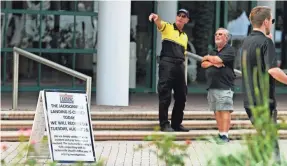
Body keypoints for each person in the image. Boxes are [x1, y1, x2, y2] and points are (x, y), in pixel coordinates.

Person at [241, 6, 287, 163]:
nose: (272, 24)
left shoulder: (247, 41)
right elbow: (273, 70)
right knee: (271, 143)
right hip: (263, 102)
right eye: (272, 21)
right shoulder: (266, 42)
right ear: (266, 21)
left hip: (249, 101)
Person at [148, 9, 190, 132]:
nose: (181, 17)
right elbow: (160, 23)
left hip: (180, 65)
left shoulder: (185, 36)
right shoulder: (168, 27)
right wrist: (156, 18)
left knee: (181, 96)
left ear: (187, 20)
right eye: (179, 15)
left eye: (184, 16)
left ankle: (176, 124)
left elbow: (184, 53)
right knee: (165, 95)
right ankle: (164, 124)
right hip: (167, 63)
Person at [201, 28, 236, 143]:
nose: (217, 36)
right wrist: (213, 62)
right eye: (216, 34)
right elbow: (203, 63)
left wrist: (210, 59)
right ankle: (220, 134)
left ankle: (225, 135)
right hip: (212, 85)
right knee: (217, 111)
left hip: (225, 85)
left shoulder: (230, 50)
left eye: (220, 34)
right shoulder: (213, 51)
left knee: (224, 110)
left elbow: (217, 59)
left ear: (226, 38)